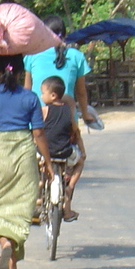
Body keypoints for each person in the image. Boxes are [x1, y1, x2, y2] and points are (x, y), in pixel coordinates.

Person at [0, 54, 55, 269]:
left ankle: (4, 244)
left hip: (0, 152)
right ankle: (11, 265)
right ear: (20, 71)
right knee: (22, 205)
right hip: (24, 152)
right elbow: (38, 132)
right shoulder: (30, 97)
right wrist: (47, 162)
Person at [24, 15, 98, 124]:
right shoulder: (77, 56)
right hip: (67, 120)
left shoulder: (31, 55)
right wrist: (85, 114)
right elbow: (81, 92)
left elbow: (27, 90)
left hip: (37, 120)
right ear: (65, 35)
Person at [40, 75, 85, 222]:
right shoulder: (69, 113)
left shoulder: (44, 111)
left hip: (46, 152)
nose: (41, 96)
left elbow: (37, 131)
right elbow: (76, 132)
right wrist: (83, 152)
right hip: (65, 152)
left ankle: (38, 194)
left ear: (52, 96)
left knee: (35, 164)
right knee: (79, 162)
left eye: (43, 93)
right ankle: (70, 187)